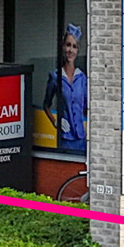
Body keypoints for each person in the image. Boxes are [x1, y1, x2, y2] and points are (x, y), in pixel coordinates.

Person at [42, 23, 87, 154]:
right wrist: (55, 122)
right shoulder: (56, 76)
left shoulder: (82, 78)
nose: (70, 50)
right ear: (63, 47)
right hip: (65, 137)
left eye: (74, 47)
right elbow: (46, 105)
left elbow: (87, 107)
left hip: (81, 138)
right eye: (68, 45)